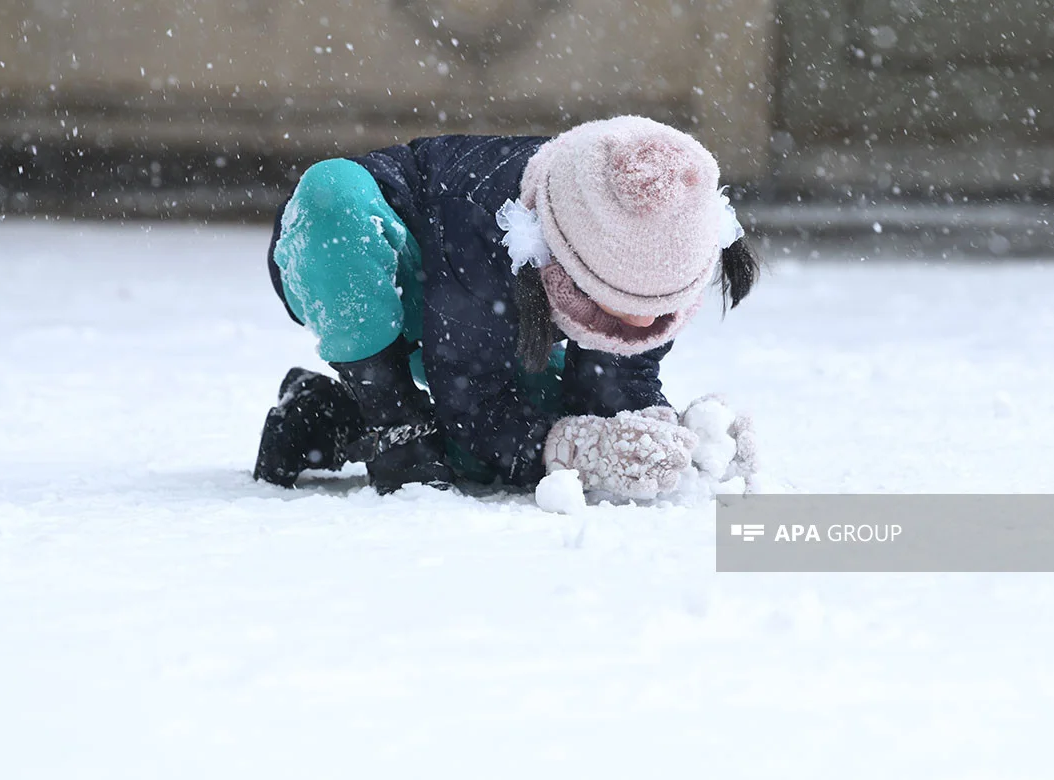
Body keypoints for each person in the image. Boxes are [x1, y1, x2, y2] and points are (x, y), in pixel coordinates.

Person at [252, 115, 760, 499]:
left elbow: (608, 384)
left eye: (662, 305)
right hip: (366, 271)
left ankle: (328, 419)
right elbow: (476, 400)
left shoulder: (659, 234)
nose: (645, 322)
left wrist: (665, 440)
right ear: (565, 261)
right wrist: (572, 452)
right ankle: (386, 411)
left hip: (491, 316)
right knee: (332, 194)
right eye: (621, 301)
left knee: (527, 423)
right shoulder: (489, 221)